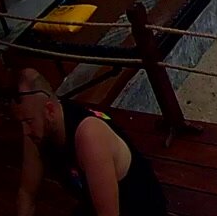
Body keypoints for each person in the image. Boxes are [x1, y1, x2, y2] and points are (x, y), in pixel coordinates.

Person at [11, 68, 168, 216]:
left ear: (50, 110)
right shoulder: (36, 130)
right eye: (21, 122)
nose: (25, 131)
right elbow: (26, 193)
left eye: (29, 121)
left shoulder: (89, 137)